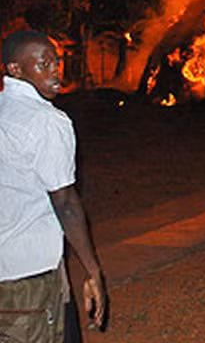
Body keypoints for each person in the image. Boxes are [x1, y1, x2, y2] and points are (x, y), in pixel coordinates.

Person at [0, 30, 107, 341]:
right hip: (27, 274)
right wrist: (93, 269)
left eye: (56, 62)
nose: (55, 71)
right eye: (43, 64)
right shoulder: (48, 121)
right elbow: (66, 203)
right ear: (15, 69)